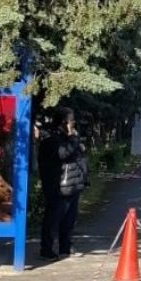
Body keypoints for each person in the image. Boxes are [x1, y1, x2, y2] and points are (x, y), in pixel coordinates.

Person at [38, 107, 88, 260]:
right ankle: (46, 249)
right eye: (71, 121)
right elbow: (62, 153)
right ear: (63, 122)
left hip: (72, 184)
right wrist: (73, 139)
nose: (73, 124)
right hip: (58, 186)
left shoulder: (68, 137)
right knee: (53, 218)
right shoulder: (51, 138)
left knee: (69, 219)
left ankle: (65, 247)